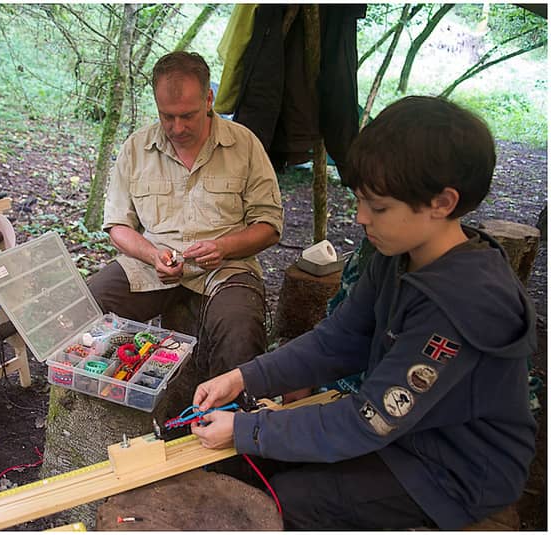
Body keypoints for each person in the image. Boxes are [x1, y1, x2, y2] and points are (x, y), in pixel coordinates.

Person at [190, 96, 537, 530]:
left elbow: (370, 418)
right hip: (407, 437)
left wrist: (246, 430)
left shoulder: (464, 305)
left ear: (442, 202)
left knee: (293, 499)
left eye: (378, 206)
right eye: (359, 200)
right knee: (267, 462)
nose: (360, 218)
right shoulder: (398, 254)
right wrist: (243, 378)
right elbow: (338, 340)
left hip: (455, 473)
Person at [88, 51, 283, 380]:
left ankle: (225, 421)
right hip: (151, 267)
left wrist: (223, 247)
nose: (177, 128)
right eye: (167, 116)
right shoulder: (136, 148)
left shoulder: (244, 144)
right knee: (90, 304)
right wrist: (152, 255)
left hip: (225, 267)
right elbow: (118, 226)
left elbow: (269, 226)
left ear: (209, 99)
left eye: (188, 116)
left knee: (240, 332)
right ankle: (113, 396)